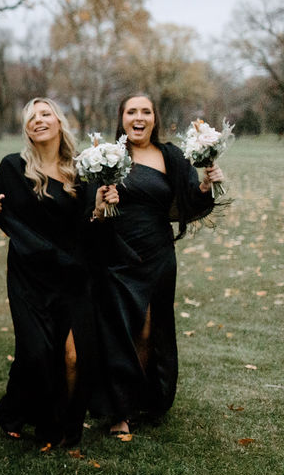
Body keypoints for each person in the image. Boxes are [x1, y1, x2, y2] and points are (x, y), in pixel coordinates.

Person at [0, 97, 117, 447]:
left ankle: (67, 426)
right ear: (26, 128)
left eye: (46, 114)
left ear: (60, 123)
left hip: (74, 276)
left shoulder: (82, 171)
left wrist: (101, 210)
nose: (38, 120)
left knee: (76, 355)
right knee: (37, 352)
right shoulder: (12, 167)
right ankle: (15, 409)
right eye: (31, 117)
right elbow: (7, 218)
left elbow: (89, 231)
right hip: (30, 274)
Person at [91, 93, 224, 436]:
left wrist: (206, 184)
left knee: (152, 330)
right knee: (124, 327)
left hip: (158, 254)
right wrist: (103, 204)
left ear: (155, 118)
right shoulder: (106, 156)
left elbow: (187, 204)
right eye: (131, 111)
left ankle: (142, 399)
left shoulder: (170, 156)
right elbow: (91, 211)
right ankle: (119, 409)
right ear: (121, 118)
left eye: (145, 111)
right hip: (116, 253)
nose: (139, 117)